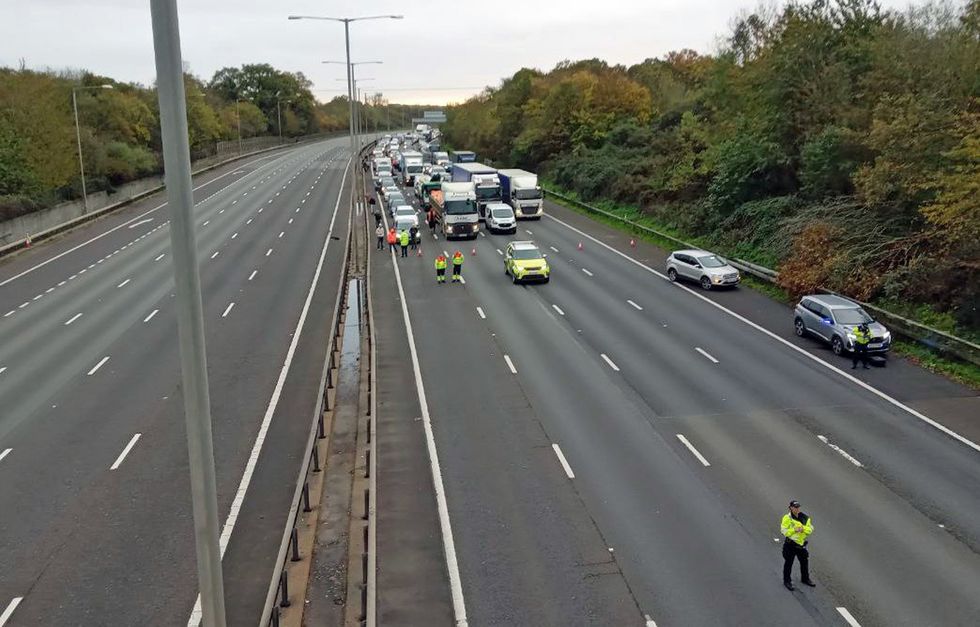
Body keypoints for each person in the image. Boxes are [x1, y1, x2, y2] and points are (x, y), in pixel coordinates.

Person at [781, 500, 815, 591]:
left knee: (804, 562)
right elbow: (784, 531)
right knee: (789, 563)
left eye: (798, 507)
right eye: (795, 507)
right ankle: (787, 581)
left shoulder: (805, 518)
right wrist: (794, 530)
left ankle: (805, 579)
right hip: (790, 544)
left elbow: (810, 529)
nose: (797, 509)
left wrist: (803, 529)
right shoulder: (787, 518)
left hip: (801, 544)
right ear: (791, 508)